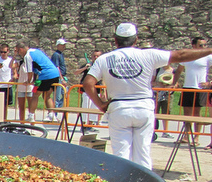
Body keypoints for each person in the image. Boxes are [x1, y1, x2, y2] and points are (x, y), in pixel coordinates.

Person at [83, 23, 212, 169]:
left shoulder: (104, 59)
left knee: (120, 154)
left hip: (119, 107)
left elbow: (88, 83)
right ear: (136, 40)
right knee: (143, 154)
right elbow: (181, 55)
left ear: (116, 40)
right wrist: (209, 50)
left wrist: (100, 104)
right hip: (143, 106)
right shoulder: (148, 54)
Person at [172, 37, 212, 144]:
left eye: (204, 45)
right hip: (187, 87)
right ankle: (186, 136)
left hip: (200, 88)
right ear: (193, 45)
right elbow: (179, 71)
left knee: (197, 113)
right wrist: (174, 83)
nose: (204, 47)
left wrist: (209, 83)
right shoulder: (188, 57)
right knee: (187, 113)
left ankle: (197, 137)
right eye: (201, 45)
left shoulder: (208, 57)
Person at [15, 41, 61, 122]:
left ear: (21, 49)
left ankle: (31, 115)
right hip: (55, 74)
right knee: (47, 96)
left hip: (45, 75)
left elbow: (30, 72)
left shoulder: (27, 56)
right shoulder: (36, 51)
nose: (19, 54)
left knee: (35, 95)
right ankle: (52, 115)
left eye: (18, 51)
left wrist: (28, 81)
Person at [75, 50, 104, 131]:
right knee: (86, 107)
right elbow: (76, 72)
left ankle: (90, 125)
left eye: (98, 56)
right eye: (94, 56)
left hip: (97, 90)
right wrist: (85, 67)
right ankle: (84, 125)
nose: (96, 57)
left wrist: (104, 90)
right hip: (87, 90)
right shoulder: (89, 65)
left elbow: (104, 78)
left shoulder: (102, 66)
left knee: (94, 108)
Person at [154, 65, 174, 138]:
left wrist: (170, 86)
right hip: (157, 93)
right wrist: (159, 84)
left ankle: (166, 131)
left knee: (166, 113)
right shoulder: (157, 70)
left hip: (167, 94)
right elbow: (152, 82)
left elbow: (175, 83)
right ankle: (153, 130)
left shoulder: (173, 71)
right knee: (155, 112)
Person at [16, 58, 36, 122]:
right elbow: (11, 66)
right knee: (21, 108)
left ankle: (32, 126)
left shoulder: (33, 64)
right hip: (21, 87)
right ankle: (22, 124)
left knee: (31, 108)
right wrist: (14, 56)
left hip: (30, 87)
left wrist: (33, 82)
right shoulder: (20, 63)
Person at [50, 38, 68, 108]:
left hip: (62, 77)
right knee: (57, 97)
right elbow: (57, 67)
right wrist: (61, 78)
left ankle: (58, 108)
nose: (64, 46)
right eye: (62, 45)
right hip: (58, 78)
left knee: (65, 94)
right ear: (58, 45)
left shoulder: (61, 54)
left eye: (64, 45)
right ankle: (54, 112)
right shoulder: (56, 55)